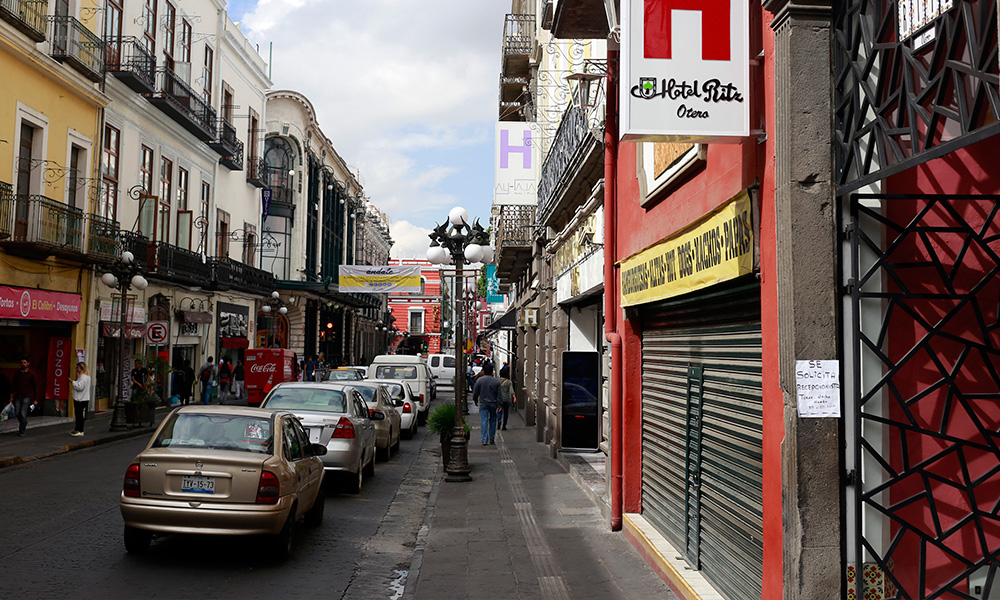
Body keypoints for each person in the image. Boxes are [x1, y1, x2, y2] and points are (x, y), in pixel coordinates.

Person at [472, 362, 502, 446]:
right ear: (492, 372)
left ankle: (484, 439)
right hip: (493, 403)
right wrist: (500, 405)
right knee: (493, 420)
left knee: (484, 421)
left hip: (483, 403)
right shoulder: (496, 381)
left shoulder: (479, 380)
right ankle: (492, 438)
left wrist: (475, 400)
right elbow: (499, 394)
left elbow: (475, 392)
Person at [11, 358, 38, 437]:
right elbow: (14, 385)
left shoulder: (31, 374)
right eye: (22, 362)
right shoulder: (17, 374)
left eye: (24, 362)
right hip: (18, 395)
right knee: (17, 412)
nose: (23, 364)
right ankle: (24, 422)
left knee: (23, 412)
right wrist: (11, 396)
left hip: (27, 395)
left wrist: (35, 398)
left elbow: (35, 386)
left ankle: (21, 430)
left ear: (28, 363)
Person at [69, 362, 91, 436]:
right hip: (83, 398)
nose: (76, 369)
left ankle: (80, 430)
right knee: (79, 415)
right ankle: (77, 429)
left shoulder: (83, 377)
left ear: (82, 369)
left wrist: (73, 382)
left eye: (77, 368)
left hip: (80, 399)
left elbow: (80, 387)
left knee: (79, 415)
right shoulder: (86, 377)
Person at [498, 366, 515, 431]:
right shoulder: (509, 382)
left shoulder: (497, 381)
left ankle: (499, 420)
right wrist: (514, 397)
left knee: (499, 411)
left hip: (499, 399)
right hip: (507, 399)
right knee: (506, 413)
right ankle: (504, 425)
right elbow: (511, 390)